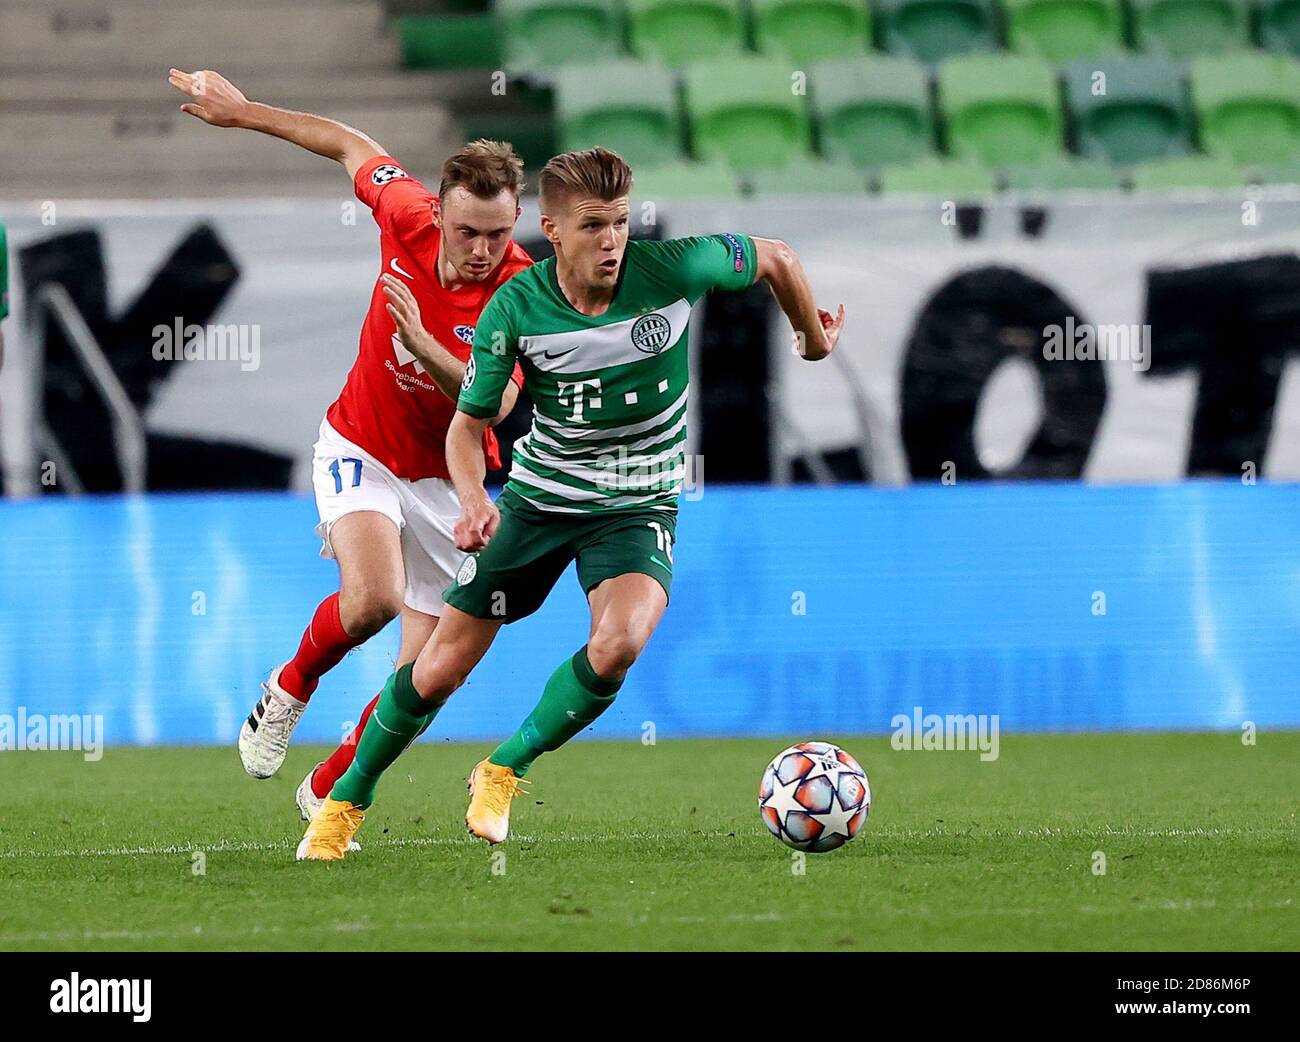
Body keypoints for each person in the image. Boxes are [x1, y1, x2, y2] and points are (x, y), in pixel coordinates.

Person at [298, 147, 845, 860]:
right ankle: (346, 801)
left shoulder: (675, 270)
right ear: (552, 229)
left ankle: (504, 768)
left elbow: (775, 258)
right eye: (593, 226)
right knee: (436, 671)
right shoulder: (517, 308)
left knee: (618, 645)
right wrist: (471, 501)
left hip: (636, 505)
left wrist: (810, 340)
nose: (612, 240)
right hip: (539, 503)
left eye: (620, 222)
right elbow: (470, 425)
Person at [167, 70, 531, 813]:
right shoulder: (404, 212)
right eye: (469, 231)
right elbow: (343, 141)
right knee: (372, 601)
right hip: (359, 444)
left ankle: (329, 785)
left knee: (429, 676)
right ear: (440, 208)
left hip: (448, 484)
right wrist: (242, 115)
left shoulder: (525, 293)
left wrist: (426, 344)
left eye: (498, 232)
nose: (483, 248)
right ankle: (288, 685)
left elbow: (498, 403)